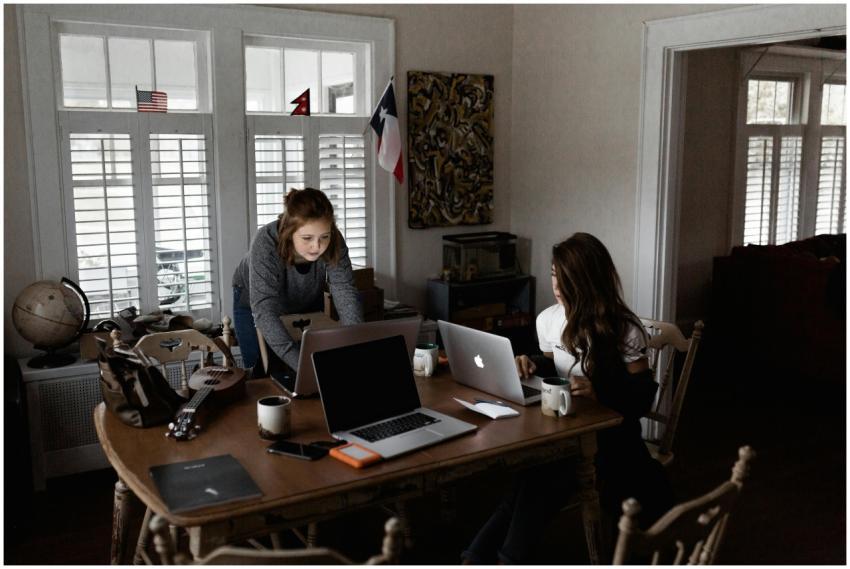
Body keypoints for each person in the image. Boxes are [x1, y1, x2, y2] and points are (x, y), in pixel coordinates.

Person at [462, 232, 673, 564]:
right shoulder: (548, 320)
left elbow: (643, 395)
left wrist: (599, 390)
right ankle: (477, 557)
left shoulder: (623, 329)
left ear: (587, 281)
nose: (556, 285)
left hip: (610, 438)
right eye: (553, 274)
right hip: (564, 428)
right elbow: (555, 364)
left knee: (539, 479)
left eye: (565, 278)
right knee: (528, 480)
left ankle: (500, 558)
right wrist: (531, 362)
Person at [232, 188, 363, 377]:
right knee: (260, 374)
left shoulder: (334, 240)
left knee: (318, 363)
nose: (317, 246)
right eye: (307, 238)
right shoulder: (265, 242)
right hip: (254, 301)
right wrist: (304, 367)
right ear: (289, 231)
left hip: (305, 297)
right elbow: (265, 311)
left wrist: (355, 346)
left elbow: (345, 291)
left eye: (324, 237)